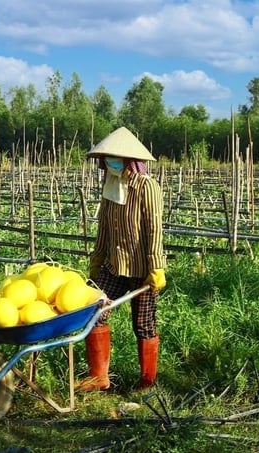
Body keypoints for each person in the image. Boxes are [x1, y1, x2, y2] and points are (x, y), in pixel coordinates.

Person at [78, 126, 167, 392]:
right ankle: (99, 378)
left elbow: (154, 228)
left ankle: (147, 382)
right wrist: (97, 260)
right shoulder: (111, 187)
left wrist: (156, 266)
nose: (108, 163)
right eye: (105, 159)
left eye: (112, 158)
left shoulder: (146, 186)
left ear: (129, 160)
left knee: (143, 324)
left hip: (142, 269)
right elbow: (104, 228)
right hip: (114, 266)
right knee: (96, 311)